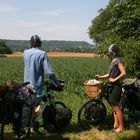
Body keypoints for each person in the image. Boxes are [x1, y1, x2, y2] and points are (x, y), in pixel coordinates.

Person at [22, 35, 63, 134]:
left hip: (26, 85)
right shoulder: (42, 54)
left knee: (29, 107)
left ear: (30, 43)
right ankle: (30, 127)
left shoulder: (25, 53)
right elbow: (49, 72)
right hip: (36, 87)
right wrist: (57, 83)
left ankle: (30, 126)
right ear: (40, 43)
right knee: (36, 106)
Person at [96, 44, 126, 133]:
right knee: (113, 107)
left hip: (116, 86)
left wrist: (114, 79)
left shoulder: (117, 61)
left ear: (112, 52)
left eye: (109, 52)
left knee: (116, 107)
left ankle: (121, 127)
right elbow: (109, 75)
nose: (109, 54)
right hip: (112, 86)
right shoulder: (113, 61)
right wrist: (100, 76)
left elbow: (124, 72)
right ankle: (116, 124)